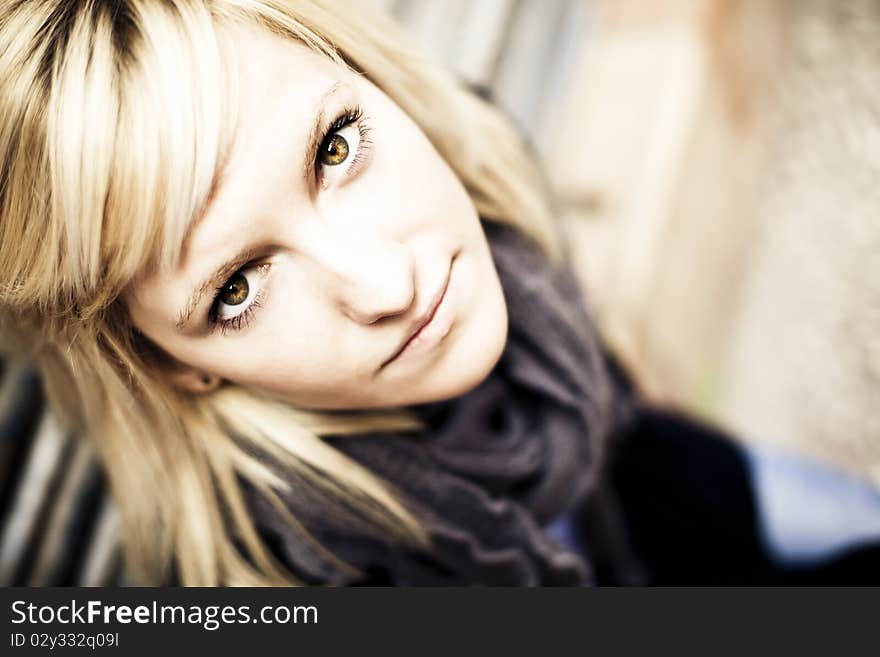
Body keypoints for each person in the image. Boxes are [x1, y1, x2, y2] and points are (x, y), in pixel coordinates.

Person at [1, 0, 877, 586]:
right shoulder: (329, 573)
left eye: (334, 148)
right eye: (235, 287)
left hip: (660, 474)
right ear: (173, 364)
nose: (386, 284)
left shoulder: (479, 149)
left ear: (368, 74)